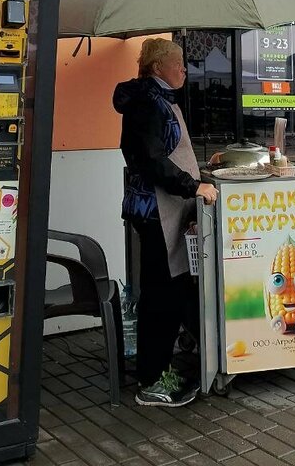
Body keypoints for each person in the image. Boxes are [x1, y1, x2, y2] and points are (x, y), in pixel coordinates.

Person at [114, 38, 217, 408]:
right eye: (178, 63)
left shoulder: (159, 99)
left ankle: (158, 370)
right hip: (156, 213)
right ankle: (152, 380)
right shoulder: (148, 102)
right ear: (158, 67)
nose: (184, 70)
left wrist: (201, 169)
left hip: (163, 212)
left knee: (169, 293)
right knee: (161, 297)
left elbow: (167, 153)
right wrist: (194, 184)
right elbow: (153, 161)